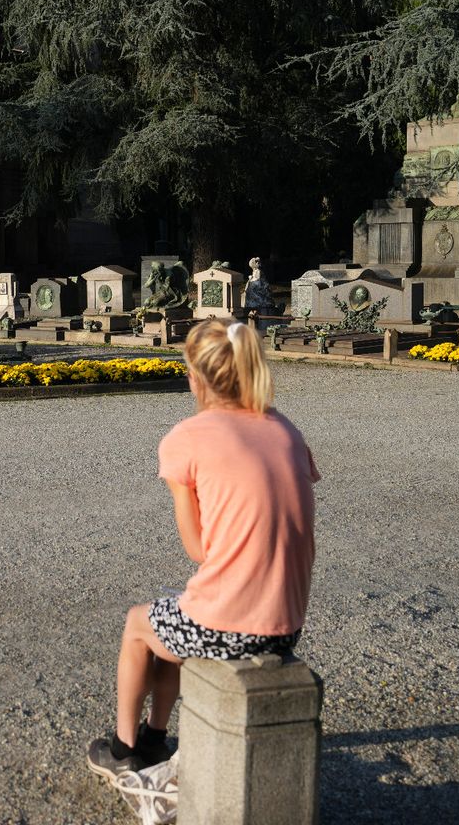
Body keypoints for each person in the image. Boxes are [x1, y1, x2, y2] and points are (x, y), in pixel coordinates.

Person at [86, 318, 320, 782]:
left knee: (139, 624)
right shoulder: (285, 429)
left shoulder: (187, 438)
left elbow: (198, 547)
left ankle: (124, 748)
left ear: (194, 377)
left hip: (231, 627)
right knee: (175, 612)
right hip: (286, 623)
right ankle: (154, 735)